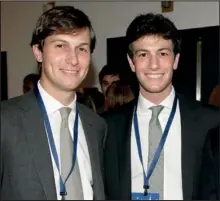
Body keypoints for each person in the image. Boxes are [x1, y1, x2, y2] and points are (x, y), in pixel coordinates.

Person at [102, 13, 219, 200]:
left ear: (176, 60)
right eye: (143, 54)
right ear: (131, 62)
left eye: (163, 53)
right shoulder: (108, 126)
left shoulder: (210, 121)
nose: (154, 65)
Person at [0, 6, 107, 200]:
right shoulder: (5, 120)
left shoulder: (97, 126)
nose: (73, 59)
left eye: (82, 48)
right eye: (60, 45)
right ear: (38, 52)